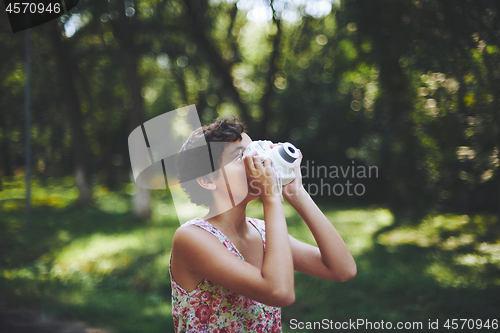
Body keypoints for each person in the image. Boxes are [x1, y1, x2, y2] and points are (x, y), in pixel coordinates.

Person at [169, 116, 356, 332]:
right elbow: (280, 292)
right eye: (241, 156)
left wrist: (297, 193)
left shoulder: (263, 233)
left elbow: (343, 270)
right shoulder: (192, 237)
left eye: (254, 150)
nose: (256, 161)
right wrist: (271, 197)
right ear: (208, 180)